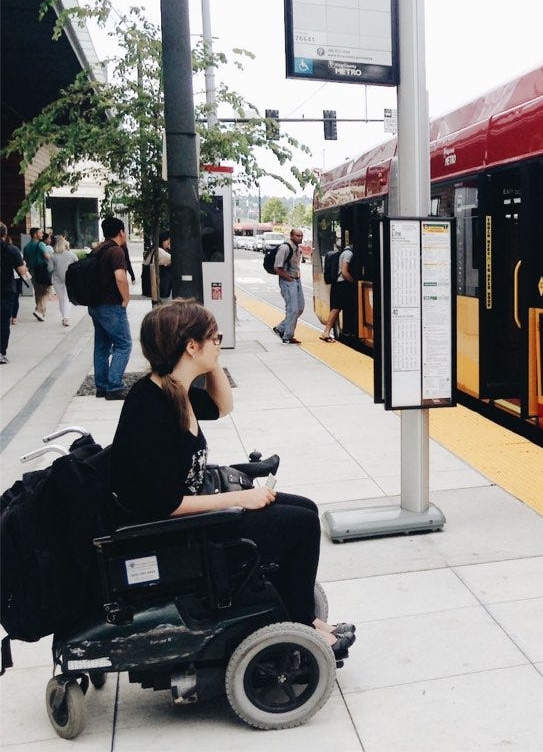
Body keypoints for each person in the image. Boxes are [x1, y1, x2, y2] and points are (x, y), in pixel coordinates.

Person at [108, 300, 355, 657]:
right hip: (178, 534)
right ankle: (302, 623)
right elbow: (165, 504)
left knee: (306, 508)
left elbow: (223, 406)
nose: (219, 342)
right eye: (214, 338)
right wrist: (240, 498)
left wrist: (212, 363)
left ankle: (295, 610)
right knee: (300, 525)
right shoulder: (150, 408)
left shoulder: (173, 390)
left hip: (192, 519)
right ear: (191, 346)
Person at [90, 217, 133, 400]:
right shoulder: (116, 251)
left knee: (102, 345)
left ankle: (101, 386)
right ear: (121, 232)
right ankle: (114, 385)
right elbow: (120, 277)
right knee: (124, 344)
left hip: (96, 304)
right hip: (111, 305)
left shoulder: (98, 249)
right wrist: (126, 299)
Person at [0, 222, 31, 364]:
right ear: (5, 234)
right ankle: (1, 352)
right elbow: (22, 271)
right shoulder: (11, 250)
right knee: (3, 322)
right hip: (6, 289)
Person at [272, 228, 305, 345]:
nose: (300, 238)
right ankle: (287, 336)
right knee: (293, 309)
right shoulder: (285, 248)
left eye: (301, 236)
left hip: (296, 280)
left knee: (300, 308)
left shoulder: (297, 248)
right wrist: (289, 279)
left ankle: (280, 328)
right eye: (297, 235)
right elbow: (277, 268)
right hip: (288, 281)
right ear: (291, 236)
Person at [320, 242, 354, 342]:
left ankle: (329, 332)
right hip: (342, 285)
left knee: (337, 308)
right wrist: (354, 281)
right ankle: (326, 332)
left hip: (338, 284)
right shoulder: (349, 254)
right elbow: (344, 272)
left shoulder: (344, 252)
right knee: (336, 309)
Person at [22, 227, 52, 321]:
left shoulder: (26, 247)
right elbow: (48, 257)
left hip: (32, 272)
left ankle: (40, 312)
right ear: (35, 234)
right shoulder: (41, 244)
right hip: (43, 271)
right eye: (40, 233)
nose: (42, 234)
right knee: (47, 291)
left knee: (38, 292)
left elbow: (25, 261)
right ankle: (39, 311)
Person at [51, 234, 79, 327]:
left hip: (57, 280)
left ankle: (64, 317)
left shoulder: (53, 255)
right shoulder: (71, 254)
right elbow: (78, 266)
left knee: (62, 299)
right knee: (67, 299)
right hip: (69, 279)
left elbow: (49, 268)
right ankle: (66, 318)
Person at [142, 231, 173, 302]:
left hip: (153, 290)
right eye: (168, 240)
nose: (169, 242)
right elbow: (175, 260)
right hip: (161, 288)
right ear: (162, 240)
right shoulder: (159, 251)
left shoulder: (152, 250)